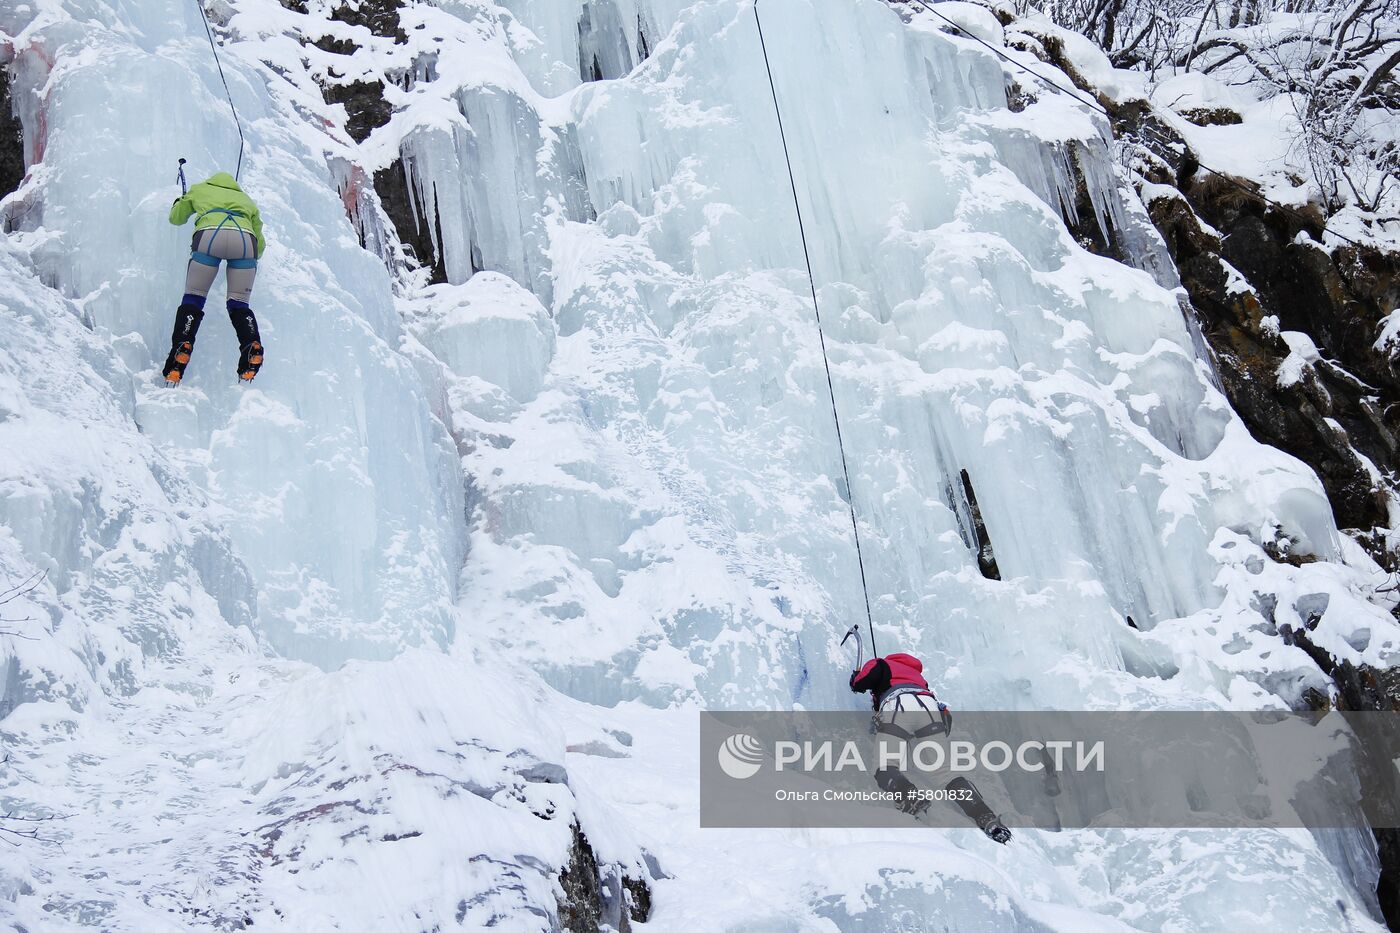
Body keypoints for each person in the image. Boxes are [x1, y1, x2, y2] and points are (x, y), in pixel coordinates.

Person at [850, 652, 1013, 844]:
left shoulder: (883, 663)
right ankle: (986, 818)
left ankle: (910, 798)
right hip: (930, 708)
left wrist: (855, 678)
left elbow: (862, 681)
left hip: (899, 705)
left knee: (885, 766)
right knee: (944, 772)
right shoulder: (918, 677)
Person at [163, 172, 265, 384]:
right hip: (245, 241)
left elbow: (176, 218)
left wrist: (179, 202)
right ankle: (251, 346)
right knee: (239, 302)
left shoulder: (200, 188)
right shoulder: (246, 200)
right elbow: (260, 247)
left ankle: (180, 352)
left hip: (210, 236)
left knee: (194, 297)